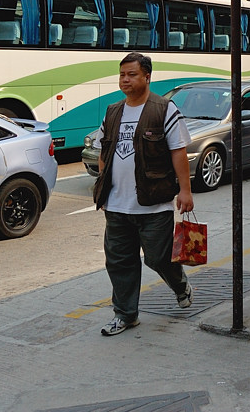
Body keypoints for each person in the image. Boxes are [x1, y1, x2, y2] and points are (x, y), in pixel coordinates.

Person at [92, 52, 195, 336]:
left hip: (154, 204)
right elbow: (104, 150)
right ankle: (125, 315)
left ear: (147, 76)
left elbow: (178, 152)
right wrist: (104, 185)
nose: (125, 80)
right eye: (122, 74)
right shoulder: (113, 111)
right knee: (119, 261)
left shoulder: (164, 109)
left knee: (158, 257)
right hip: (116, 205)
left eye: (132, 74)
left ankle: (179, 284)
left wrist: (185, 190)